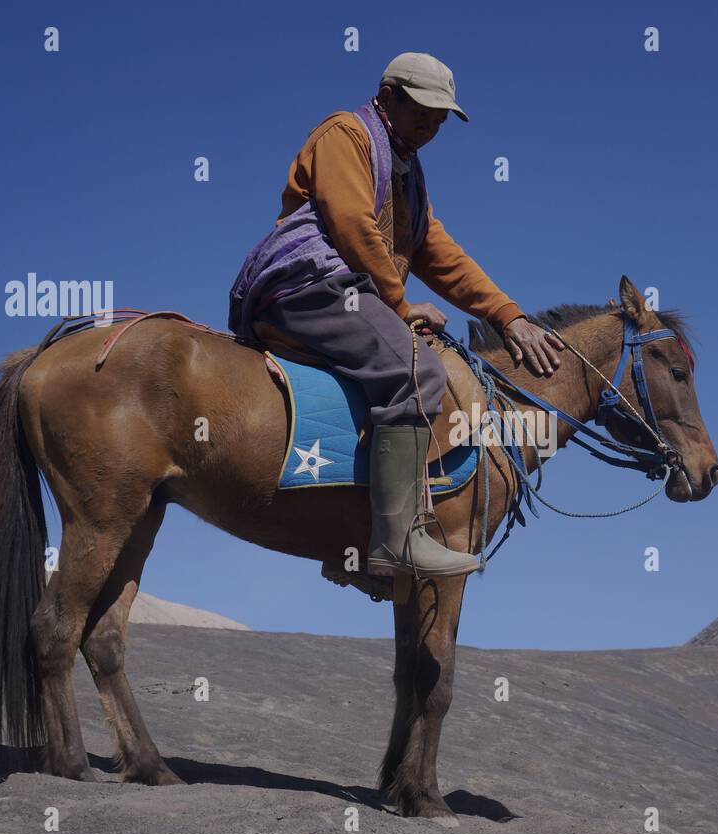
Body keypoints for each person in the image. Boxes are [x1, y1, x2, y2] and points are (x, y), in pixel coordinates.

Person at [228, 52, 564, 578]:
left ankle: (351, 533)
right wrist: (401, 305)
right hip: (306, 282)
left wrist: (506, 315)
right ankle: (395, 543)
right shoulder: (347, 133)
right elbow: (352, 224)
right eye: (423, 110)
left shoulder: (407, 172)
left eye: (441, 117)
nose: (432, 125)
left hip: (348, 288)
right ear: (388, 97)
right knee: (416, 370)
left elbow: (439, 253)